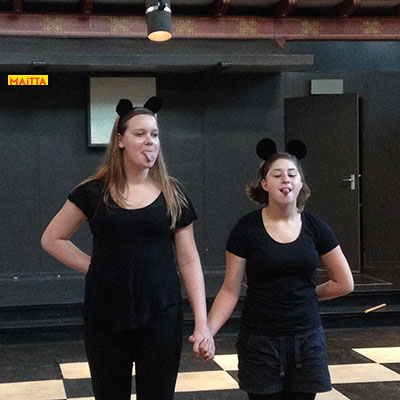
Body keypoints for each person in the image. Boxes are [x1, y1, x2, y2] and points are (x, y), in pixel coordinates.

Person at [41, 97, 214, 400]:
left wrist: (203, 324)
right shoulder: (93, 191)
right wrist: (93, 266)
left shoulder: (173, 193)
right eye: (140, 134)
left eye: (155, 134)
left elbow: (188, 260)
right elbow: (52, 238)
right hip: (105, 315)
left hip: (161, 314)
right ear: (120, 140)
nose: (150, 141)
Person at [200, 139, 354, 400]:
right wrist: (208, 332)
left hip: (306, 341)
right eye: (277, 175)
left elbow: (344, 283)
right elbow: (229, 290)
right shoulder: (246, 229)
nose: (286, 180)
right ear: (264, 184)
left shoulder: (316, 226)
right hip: (260, 342)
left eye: (292, 174)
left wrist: (306, 295)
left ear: (301, 183)